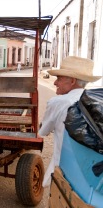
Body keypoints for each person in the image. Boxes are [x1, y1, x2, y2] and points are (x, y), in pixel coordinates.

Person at [39, 56, 102, 187]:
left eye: (59, 79)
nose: (55, 83)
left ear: (72, 81)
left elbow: (43, 131)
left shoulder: (58, 102)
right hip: (92, 176)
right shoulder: (96, 102)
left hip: (63, 173)